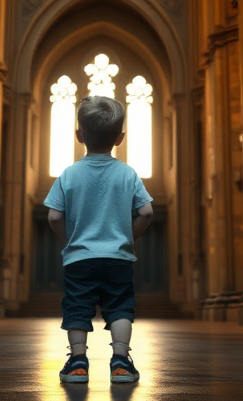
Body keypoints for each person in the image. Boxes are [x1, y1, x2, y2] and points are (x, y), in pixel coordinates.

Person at [44, 94, 154, 384]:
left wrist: (69, 241)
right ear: (120, 138)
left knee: (78, 308)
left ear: (79, 135)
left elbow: (54, 217)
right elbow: (146, 211)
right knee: (120, 307)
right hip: (118, 258)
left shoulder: (68, 175)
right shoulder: (128, 174)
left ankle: (78, 363)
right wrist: (129, 237)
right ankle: (121, 363)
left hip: (79, 258)